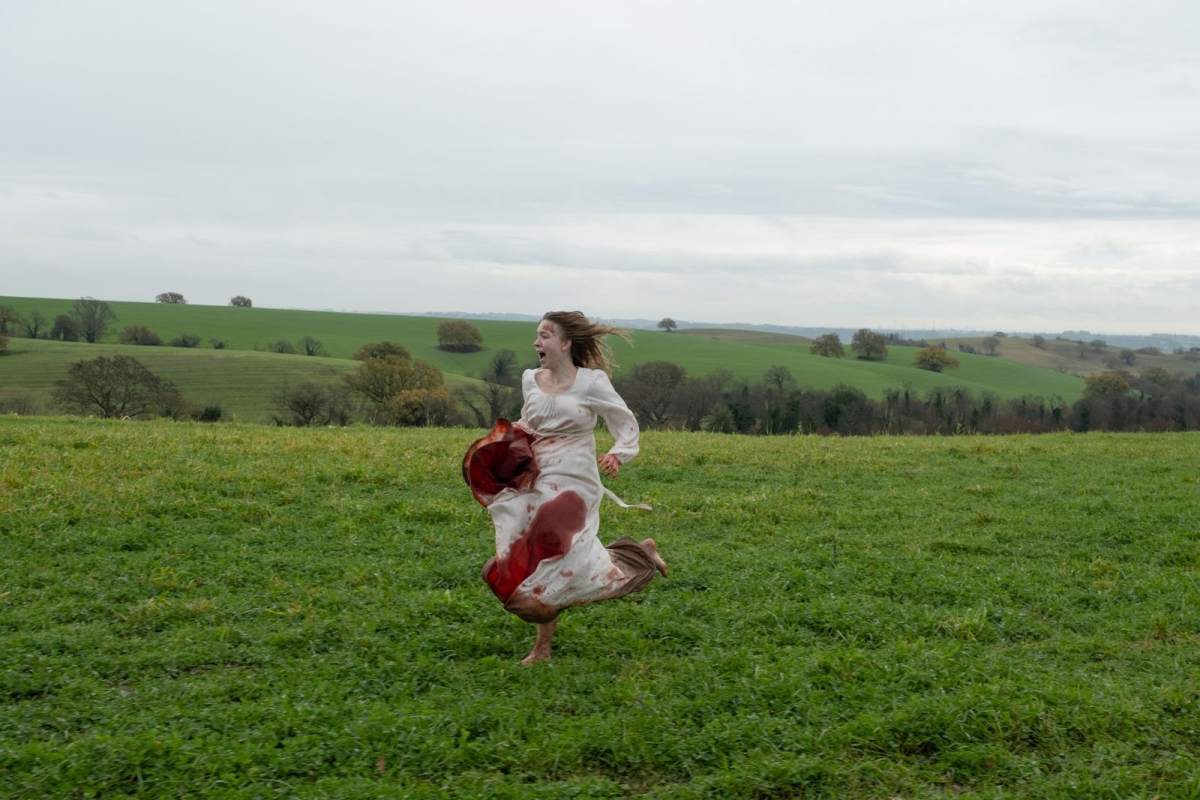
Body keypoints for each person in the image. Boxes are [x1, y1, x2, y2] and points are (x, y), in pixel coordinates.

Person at [463, 311, 668, 664]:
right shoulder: (531, 379)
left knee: (554, 540)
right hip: (538, 473)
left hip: (575, 476)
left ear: (565, 343)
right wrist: (502, 443)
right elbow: (530, 421)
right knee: (544, 560)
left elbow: (623, 420)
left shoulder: (591, 382)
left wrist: (618, 453)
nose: (537, 342)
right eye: (536, 335)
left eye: (544, 335)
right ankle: (543, 646)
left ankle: (636, 562)